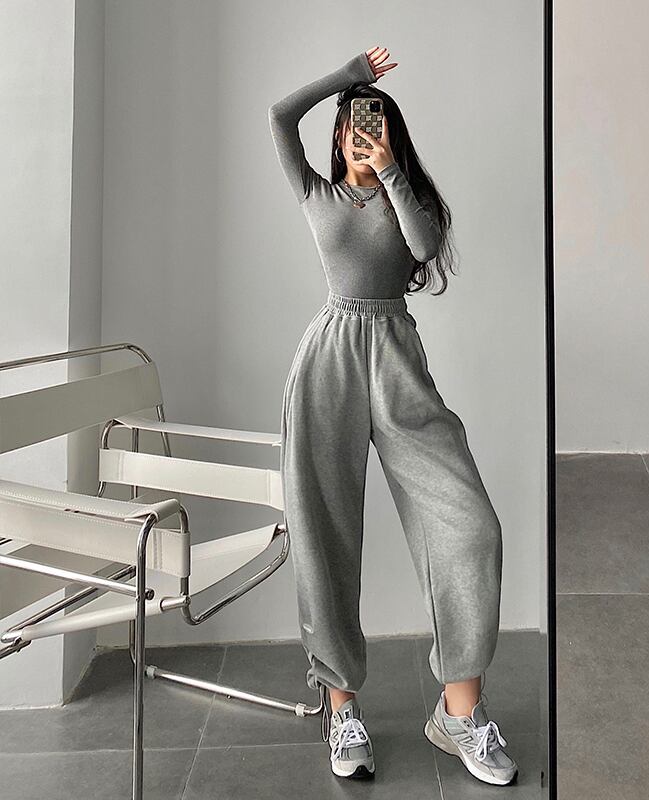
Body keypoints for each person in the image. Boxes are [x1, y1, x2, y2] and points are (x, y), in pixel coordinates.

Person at [267, 45, 517, 787]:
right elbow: (280, 116)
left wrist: (392, 172)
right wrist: (350, 79)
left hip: (397, 360)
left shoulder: (410, 197)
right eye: (350, 127)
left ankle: (459, 712)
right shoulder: (315, 193)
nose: (359, 134)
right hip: (328, 361)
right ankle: (341, 707)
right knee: (323, 530)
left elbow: (423, 244)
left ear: (389, 135)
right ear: (337, 135)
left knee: (469, 525)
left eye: (370, 125)